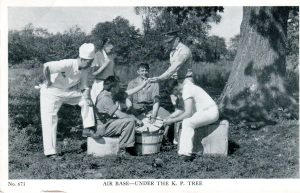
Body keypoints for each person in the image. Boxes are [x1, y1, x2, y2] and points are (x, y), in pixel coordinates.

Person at [40, 43, 96, 159]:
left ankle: (88, 128)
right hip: (50, 92)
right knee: (50, 119)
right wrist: (48, 81)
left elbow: (84, 86)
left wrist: (87, 98)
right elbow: (46, 67)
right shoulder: (68, 63)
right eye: (89, 62)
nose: (90, 64)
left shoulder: (85, 69)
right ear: (82, 59)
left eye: (91, 62)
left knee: (86, 101)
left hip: (66, 92)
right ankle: (51, 152)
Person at [163, 79, 219, 162]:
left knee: (187, 122)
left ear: (175, 88)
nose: (174, 95)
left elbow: (188, 113)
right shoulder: (186, 88)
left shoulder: (187, 90)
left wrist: (172, 121)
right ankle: (184, 152)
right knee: (187, 122)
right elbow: (182, 110)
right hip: (205, 112)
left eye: (172, 93)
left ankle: (186, 154)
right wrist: (169, 117)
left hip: (210, 112)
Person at [91, 76, 142, 155]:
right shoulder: (105, 98)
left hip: (108, 123)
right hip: (103, 127)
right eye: (118, 86)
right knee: (129, 121)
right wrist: (135, 119)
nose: (119, 87)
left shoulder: (108, 94)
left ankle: (127, 146)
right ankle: (123, 150)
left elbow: (126, 93)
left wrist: (143, 85)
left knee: (129, 117)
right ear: (112, 88)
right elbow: (120, 115)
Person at [90, 38, 115, 103]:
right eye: (111, 49)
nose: (112, 51)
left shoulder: (111, 56)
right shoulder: (97, 55)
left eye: (112, 49)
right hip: (100, 84)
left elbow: (111, 71)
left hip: (111, 84)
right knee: (98, 106)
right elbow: (93, 73)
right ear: (104, 45)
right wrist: (105, 64)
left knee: (111, 106)